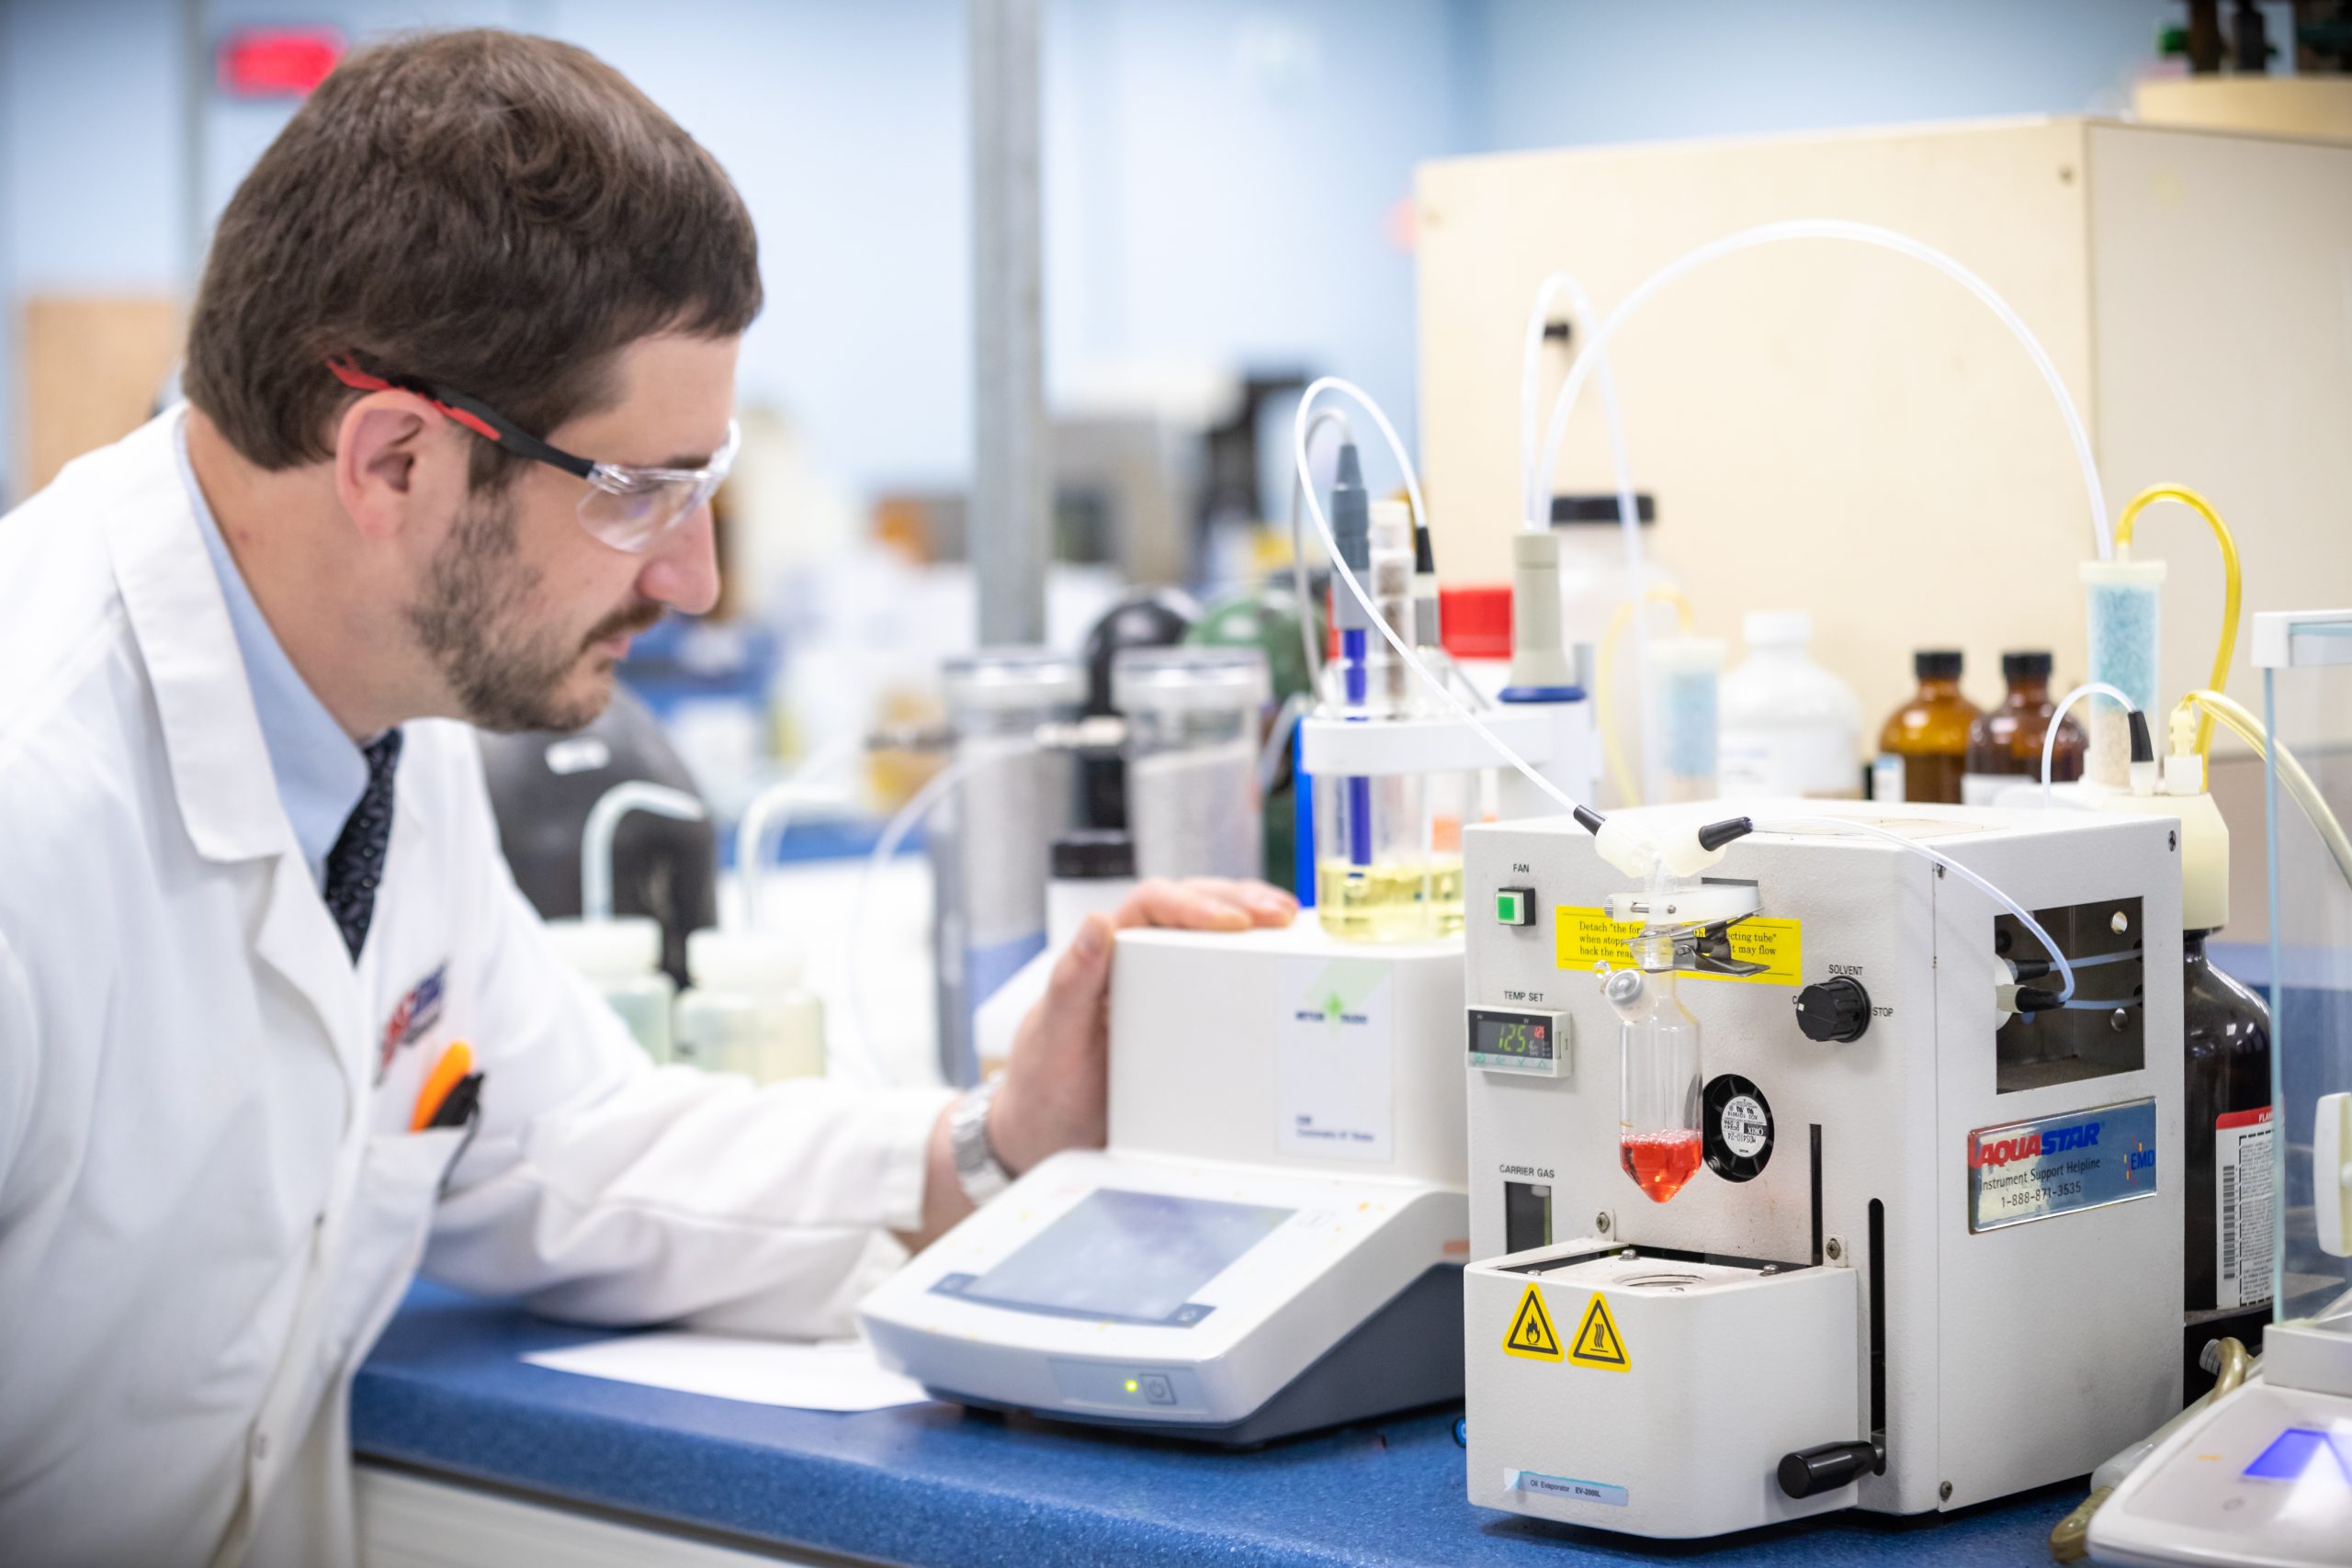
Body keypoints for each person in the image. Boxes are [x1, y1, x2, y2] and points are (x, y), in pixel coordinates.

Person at [0, 30, 1296, 1568]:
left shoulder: (373, 727)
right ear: (395, 458)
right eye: (639, 494)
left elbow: (561, 1145)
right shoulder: (36, 807)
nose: (695, 580)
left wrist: (998, 1147)